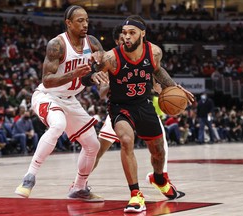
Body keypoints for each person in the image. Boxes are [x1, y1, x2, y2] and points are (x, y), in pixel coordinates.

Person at [83, 15, 194, 213]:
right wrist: (92, 76)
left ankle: (159, 178)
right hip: (120, 106)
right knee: (126, 140)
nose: (127, 37)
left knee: (158, 150)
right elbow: (86, 78)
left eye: (132, 33)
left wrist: (174, 87)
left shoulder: (154, 52)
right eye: (124, 33)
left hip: (144, 104)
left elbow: (158, 71)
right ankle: (135, 194)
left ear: (142, 34)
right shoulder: (111, 57)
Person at [15, 5, 107, 202]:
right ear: (68, 23)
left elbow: (96, 72)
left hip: (70, 100)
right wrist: (75, 72)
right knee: (58, 124)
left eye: (87, 20)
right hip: (47, 95)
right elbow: (47, 80)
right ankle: (29, 177)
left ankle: (79, 188)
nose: (85, 24)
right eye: (80, 21)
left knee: (93, 144)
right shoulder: (57, 44)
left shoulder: (93, 43)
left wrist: (101, 66)